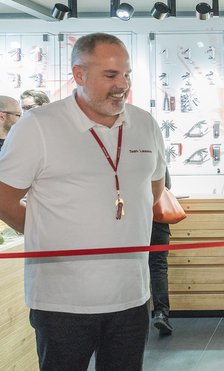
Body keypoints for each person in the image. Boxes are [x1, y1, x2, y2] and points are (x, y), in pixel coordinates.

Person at [0, 33, 166, 370]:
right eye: (110, 76)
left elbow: (153, 191)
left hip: (131, 296)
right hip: (62, 303)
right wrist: (48, 237)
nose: (122, 84)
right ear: (79, 75)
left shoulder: (145, 123)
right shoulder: (38, 125)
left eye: (127, 74)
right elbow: (4, 199)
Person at [150, 168, 173, 335]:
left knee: (136, 268)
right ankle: (161, 313)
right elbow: (167, 185)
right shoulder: (156, 157)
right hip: (158, 222)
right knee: (158, 268)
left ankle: (136, 315)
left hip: (133, 222)